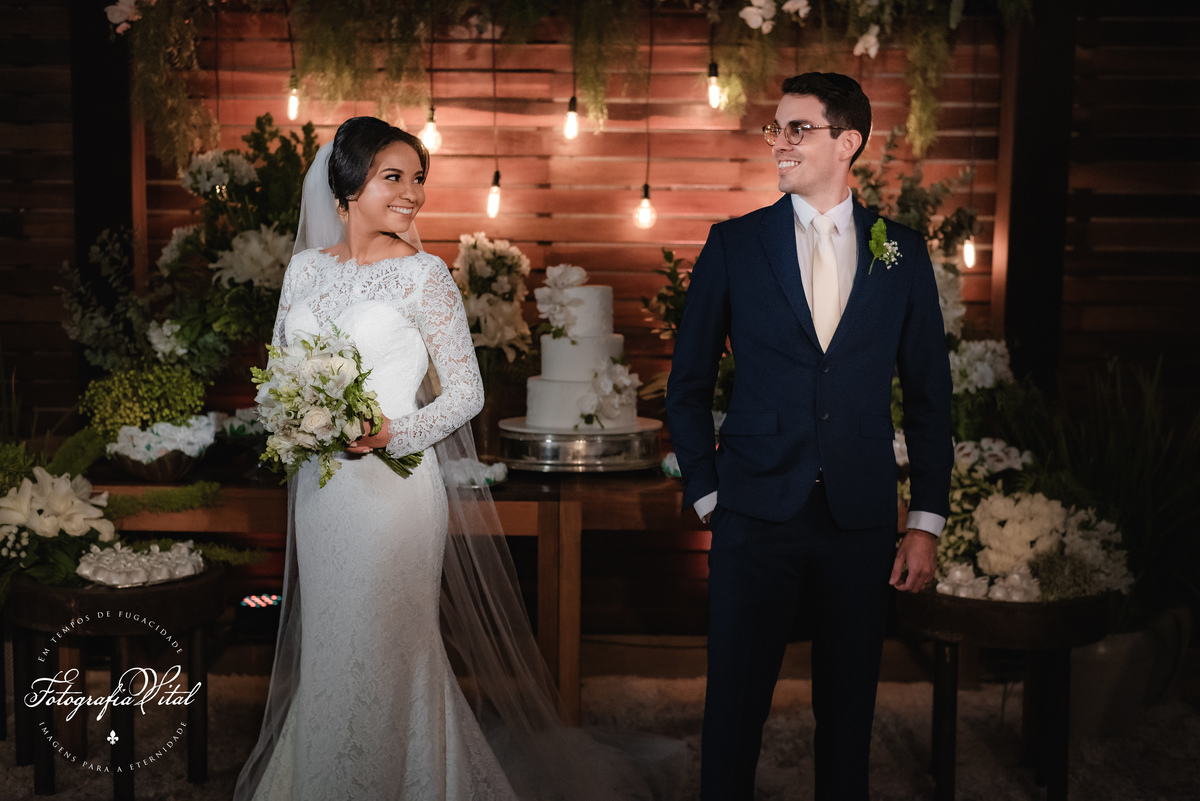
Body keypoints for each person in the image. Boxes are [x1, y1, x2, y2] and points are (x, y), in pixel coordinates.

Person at [234, 117, 680, 801]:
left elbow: (466, 392)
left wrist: (395, 431)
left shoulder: (424, 275)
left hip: (394, 496)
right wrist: (292, 418)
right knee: (331, 653)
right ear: (347, 184)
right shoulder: (304, 269)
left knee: (385, 648)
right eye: (394, 176)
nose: (412, 192)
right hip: (323, 497)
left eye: (418, 179)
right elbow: (277, 381)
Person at [665, 73, 954, 800]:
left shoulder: (900, 252)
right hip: (752, 511)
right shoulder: (734, 244)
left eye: (799, 129)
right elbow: (688, 384)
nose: (780, 143)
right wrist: (707, 495)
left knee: (848, 713)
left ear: (847, 142)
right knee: (733, 707)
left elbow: (929, 398)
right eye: (776, 129)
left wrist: (924, 521)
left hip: (859, 517)